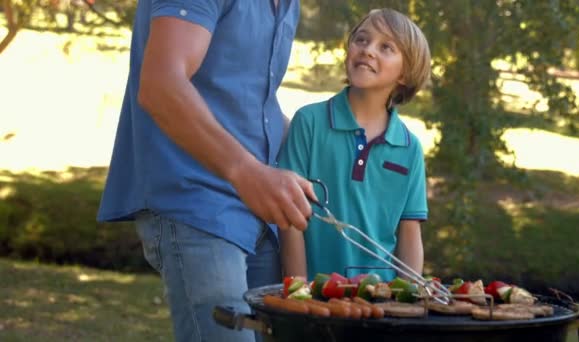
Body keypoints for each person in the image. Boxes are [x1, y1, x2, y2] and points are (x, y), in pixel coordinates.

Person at [97, 1, 316, 341]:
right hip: (196, 201)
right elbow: (161, 86)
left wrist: (320, 146)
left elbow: (248, 102)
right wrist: (246, 172)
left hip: (261, 216)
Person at [278, 8, 431, 282]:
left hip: (382, 303)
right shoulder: (309, 122)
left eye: (386, 47)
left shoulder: (410, 148)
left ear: (405, 74)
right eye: (361, 39)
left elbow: (409, 233)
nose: (368, 50)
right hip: (316, 296)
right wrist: (298, 292)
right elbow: (290, 218)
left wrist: (408, 300)